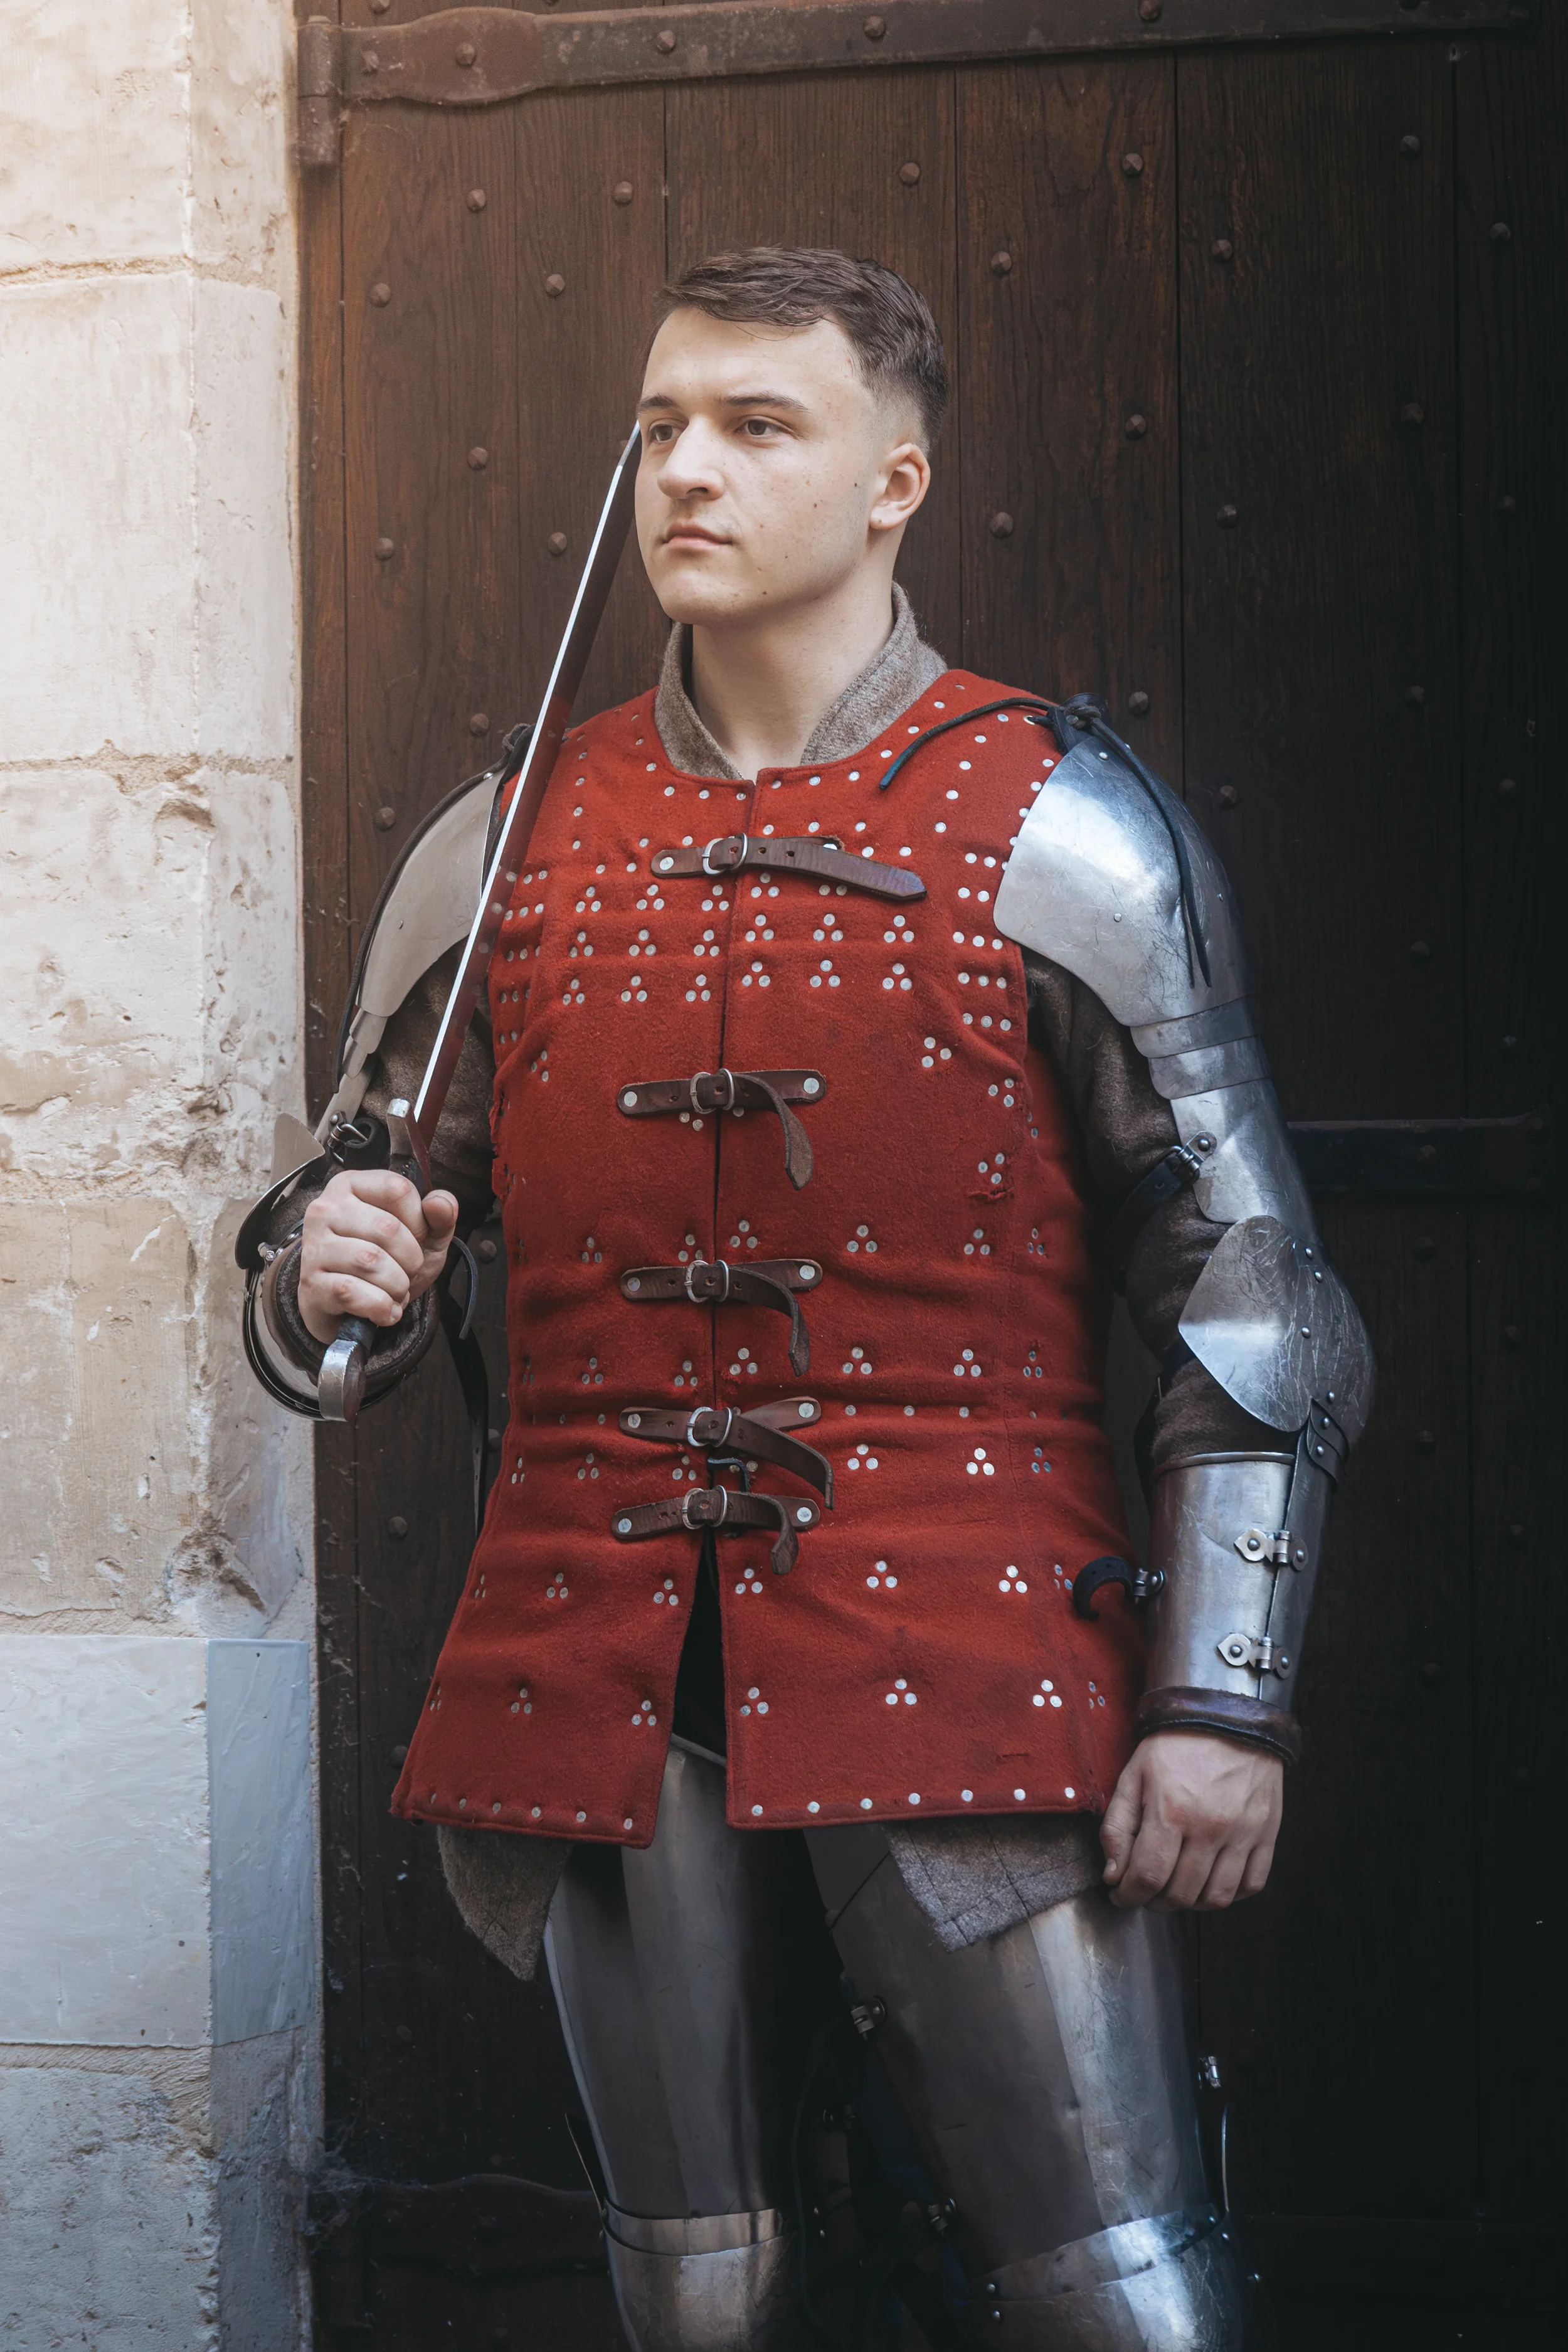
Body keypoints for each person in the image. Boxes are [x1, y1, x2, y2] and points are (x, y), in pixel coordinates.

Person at [243, 249, 1370, 2349]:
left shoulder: (1068, 827)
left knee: (1118, 2299)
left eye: (758, 426)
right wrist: (333, 1267)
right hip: (598, 1667)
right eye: (660, 423)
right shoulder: (504, 847)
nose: (688, 468)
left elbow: (1251, 1294)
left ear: (893, 483)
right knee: (696, 2300)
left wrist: (1224, 1698)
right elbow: (343, 1250)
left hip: (979, 1655)